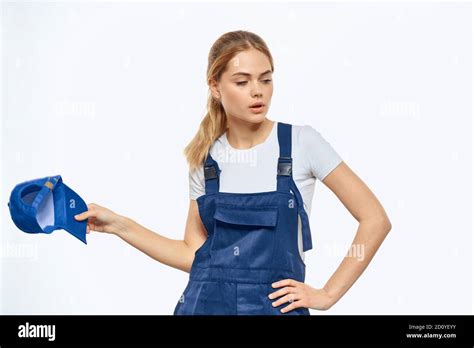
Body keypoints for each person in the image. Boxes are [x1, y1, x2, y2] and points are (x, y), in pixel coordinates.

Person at [75, 30, 392, 315]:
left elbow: (375, 220)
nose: (258, 92)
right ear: (215, 86)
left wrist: (326, 294)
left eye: (266, 80)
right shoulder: (205, 159)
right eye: (242, 82)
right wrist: (119, 225)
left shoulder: (301, 144)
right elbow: (193, 254)